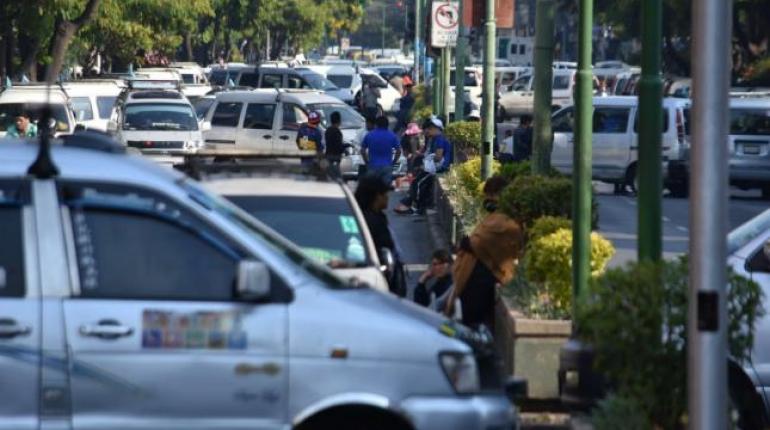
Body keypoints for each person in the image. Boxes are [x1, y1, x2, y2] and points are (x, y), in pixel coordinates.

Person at [444, 176, 524, 329]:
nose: (488, 200)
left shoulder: (506, 222)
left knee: (471, 322)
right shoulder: (497, 218)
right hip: (475, 276)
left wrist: (469, 244)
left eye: (491, 196)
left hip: (482, 280)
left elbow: (479, 243)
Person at [355, 175, 406, 296]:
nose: (388, 198)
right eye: (385, 194)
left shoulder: (376, 217)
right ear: (377, 196)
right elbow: (385, 247)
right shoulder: (371, 221)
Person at [361, 116, 401, 186]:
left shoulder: (369, 135)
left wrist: (366, 162)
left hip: (373, 166)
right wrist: (393, 162)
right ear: (387, 125)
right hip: (387, 166)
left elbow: (363, 150)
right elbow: (399, 150)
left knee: (372, 189)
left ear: (376, 124)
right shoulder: (392, 136)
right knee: (384, 190)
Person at [324, 111, 344, 178]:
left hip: (328, 156)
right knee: (336, 178)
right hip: (335, 158)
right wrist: (345, 147)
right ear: (339, 120)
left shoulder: (328, 130)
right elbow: (338, 146)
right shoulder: (337, 131)